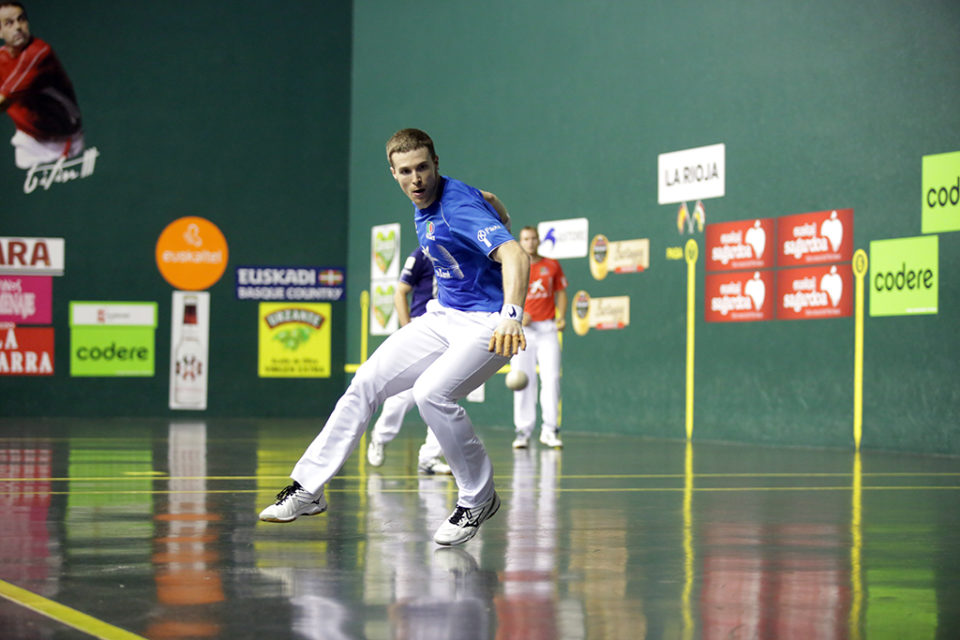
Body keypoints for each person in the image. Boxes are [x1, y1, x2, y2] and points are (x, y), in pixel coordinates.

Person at [260, 128, 529, 547]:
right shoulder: (435, 201)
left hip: (490, 322)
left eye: (423, 168)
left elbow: (515, 253)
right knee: (366, 381)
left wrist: (512, 314)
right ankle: (307, 488)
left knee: (431, 394)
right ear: (393, 172)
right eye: (405, 171)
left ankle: (478, 499)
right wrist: (497, 209)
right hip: (443, 315)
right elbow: (492, 203)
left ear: (436, 163)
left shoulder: (455, 206)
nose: (416, 179)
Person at [366, 246, 452, 475]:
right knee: (404, 396)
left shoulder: (461, 251)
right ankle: (380, 437)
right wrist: (408, 329)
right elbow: (400, 292)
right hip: (421, 329)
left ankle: (429, 458)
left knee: (441, 395)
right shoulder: (421, 255)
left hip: (450, 330)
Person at [0, 2, 84, 170]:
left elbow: (3, 102)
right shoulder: (2, 57)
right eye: (9, 23)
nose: (18, 27)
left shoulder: (38, 53)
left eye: (21, 19)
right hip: (28, 137)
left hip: (60, 140)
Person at [509, 226, 567, 449]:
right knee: (523, 380)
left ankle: (550, 430)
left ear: (539, 240)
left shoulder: (552, 265)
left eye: (533, 239)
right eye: (525, 239)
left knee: (551, 379)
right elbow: (506, 294)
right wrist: (518, 315)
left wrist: (561, 317)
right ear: (520, 242)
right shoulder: (514, 265)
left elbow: (560, 291)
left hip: (547, 330)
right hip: (522, 332)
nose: (530, 242)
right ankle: (523, 431)